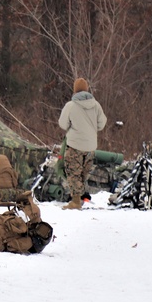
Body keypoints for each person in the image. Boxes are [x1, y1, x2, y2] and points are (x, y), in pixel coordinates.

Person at [57, 77, 107, 210]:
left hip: (74, 144)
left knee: (73, 173)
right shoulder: (96, 105)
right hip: (91, 146)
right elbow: (101, 124)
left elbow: (62, 124)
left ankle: (75, 201)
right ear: (87, 90)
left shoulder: (70, 105)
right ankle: (80, 197)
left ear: (74, 91)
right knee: (84, 173)